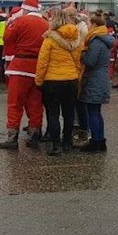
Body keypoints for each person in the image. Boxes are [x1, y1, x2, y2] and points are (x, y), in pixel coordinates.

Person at [0, 0, 49, 150]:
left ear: (25, 9)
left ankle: (12, 137)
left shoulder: (19, 21)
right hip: (38, 68)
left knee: (15, 103)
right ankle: (35, 134)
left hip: (20, 66)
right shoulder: (46, 24)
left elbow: (7, 40)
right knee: (35, 104)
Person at [35, 8, 82, 156]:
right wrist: (76, 77)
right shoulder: (76, 38)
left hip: (52, 81)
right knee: (68, 113)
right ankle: (67, 142)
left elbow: (42, 62)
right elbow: (77, 62)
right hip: (71, 79)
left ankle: (56, 145)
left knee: (53, 113)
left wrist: (39, 81)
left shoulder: (49, 39)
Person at [79, 11, 114, 153]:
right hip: (101, 77)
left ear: (94, 24)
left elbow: (91, 61)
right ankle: (100, 141)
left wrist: (82, 54)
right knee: (97, 112)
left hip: (95, 79)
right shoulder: (104, 38)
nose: (87, 26)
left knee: (92, 111)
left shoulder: (95, 40)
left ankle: (96, 142)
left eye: (88, 23)